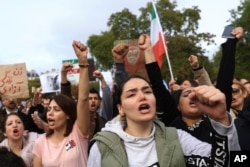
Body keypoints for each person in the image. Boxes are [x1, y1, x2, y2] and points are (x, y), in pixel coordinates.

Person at [87, 34, 240, 167]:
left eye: (147, 91)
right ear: (120, 109)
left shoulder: (176, 138)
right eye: (132, 94)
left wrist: (221, 121)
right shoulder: (102, 147)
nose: (142, 96)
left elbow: (229, 162)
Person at [32, 40, 90, 167]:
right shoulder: (40, 143)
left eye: (57, 110)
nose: (50, 113)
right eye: (50, 109)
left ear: (68, 115)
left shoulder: (78, 133)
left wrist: (83, 62)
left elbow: (83, 99)